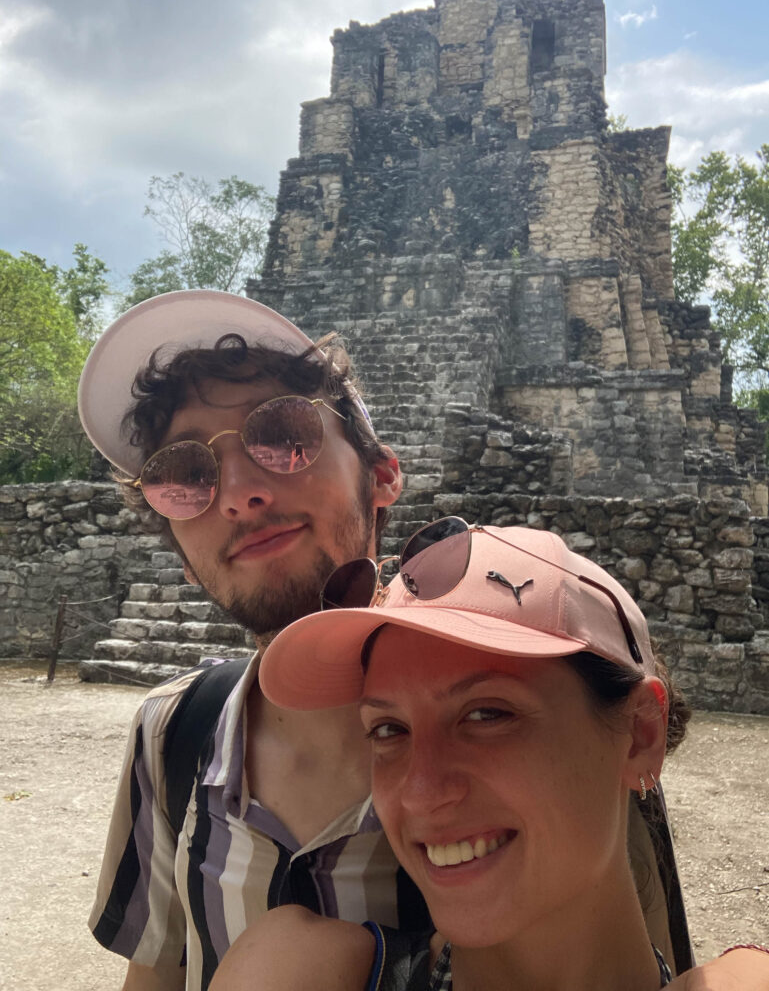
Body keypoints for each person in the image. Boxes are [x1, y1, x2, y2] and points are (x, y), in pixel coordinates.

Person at [79, 292, 768, 991]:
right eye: (183, 477)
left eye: (282, 435)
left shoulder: (551, 696)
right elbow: (158, 969)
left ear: (381, 474)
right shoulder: (173, 732)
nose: (237, 494)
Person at [217, 519, 769, 990]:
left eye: (487, 714)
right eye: (388, 729)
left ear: (641, 735)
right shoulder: (296, 970)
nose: (421, 791)